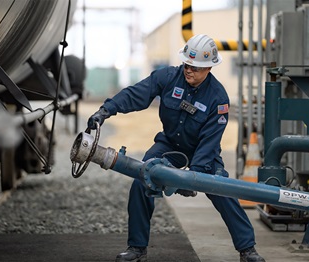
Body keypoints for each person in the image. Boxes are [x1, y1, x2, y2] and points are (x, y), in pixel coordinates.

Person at [87, 34, 265, 262]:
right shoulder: (168, 77)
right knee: (141, 181)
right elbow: (136, 94)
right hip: (168, 145)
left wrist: (192, 177)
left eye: (196, 67)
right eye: (187, 65)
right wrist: (106, 110)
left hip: (202, 151)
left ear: (209, 67)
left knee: (222, 188)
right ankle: (137, 249)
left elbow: (210, 142)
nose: (189, 70)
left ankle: (247, 249)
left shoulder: (218, 98)